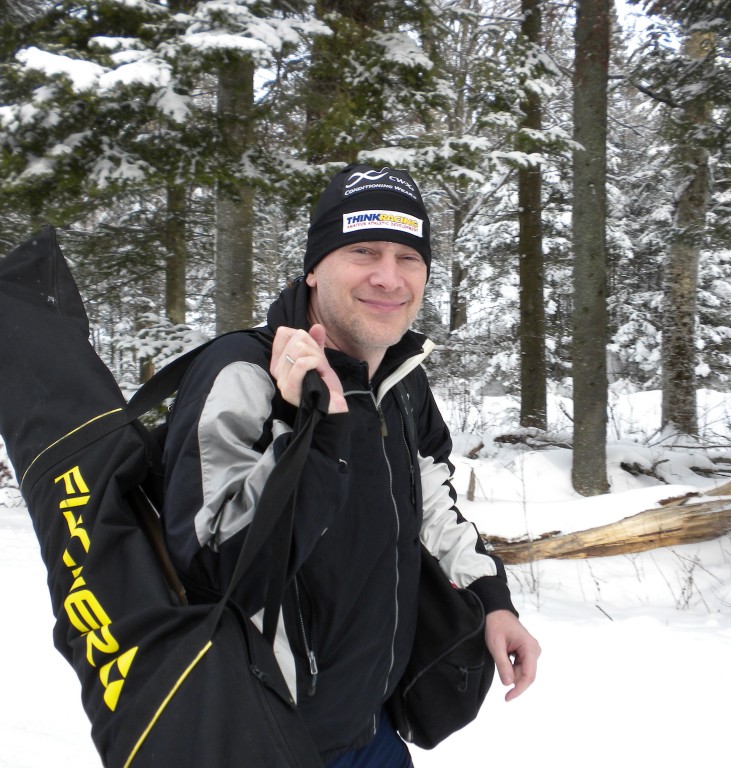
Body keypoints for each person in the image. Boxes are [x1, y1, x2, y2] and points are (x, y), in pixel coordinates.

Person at [161, 164, 540, 766]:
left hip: (370, 728)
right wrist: (312, 433)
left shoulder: (401, 381)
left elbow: (430, 501)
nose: (388, 277)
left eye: (407, 257)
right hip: (262, 739)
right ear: (314, 266)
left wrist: (492, 597)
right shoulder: (243, 373)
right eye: (363, 250)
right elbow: (213, 566)